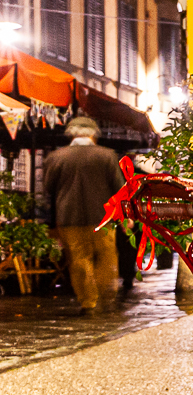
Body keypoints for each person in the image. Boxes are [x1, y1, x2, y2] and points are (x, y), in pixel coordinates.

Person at [44, 115, 126, 315]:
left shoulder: (56, 157)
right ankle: (105, 291)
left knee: (79, 258)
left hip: (69, 217)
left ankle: (88, 300)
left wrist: (50, 219)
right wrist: (126, 216)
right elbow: (119, 188)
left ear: (70, 134)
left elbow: (48, 189)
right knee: (106, 255)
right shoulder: (107, 155)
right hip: (104, 217)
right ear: (93, 134)